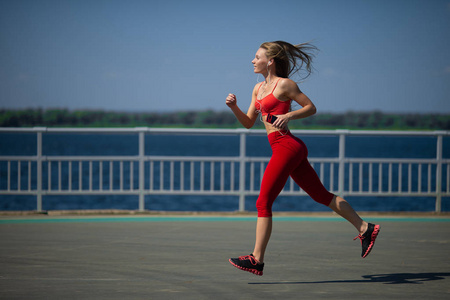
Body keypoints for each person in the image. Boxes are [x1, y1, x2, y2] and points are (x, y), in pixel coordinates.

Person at [226, 41, 380, 276]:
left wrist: (288, 115)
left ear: (270, 61)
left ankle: (256, 259)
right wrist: (234, 107)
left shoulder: (284, 85)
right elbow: (248, 123)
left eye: (257, 57)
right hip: (285, 147)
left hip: (287, 146)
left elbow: (310, 107)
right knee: (321, 196)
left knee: (263, 202)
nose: (252, 60)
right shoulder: (258, 89)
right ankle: (365, 227)